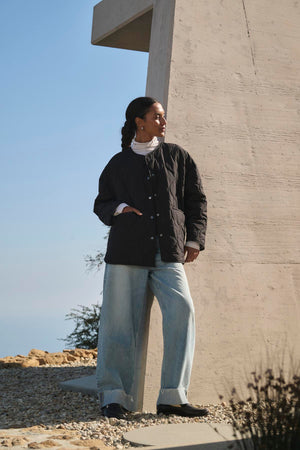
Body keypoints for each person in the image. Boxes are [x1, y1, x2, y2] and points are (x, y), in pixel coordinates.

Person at [93, 96, 207, 419]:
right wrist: (119, 209)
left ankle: (173, 395)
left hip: (168, 251)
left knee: (182, 311)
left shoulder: (177, 157)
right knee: (118, 325)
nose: (163, 121)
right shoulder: (118, 164)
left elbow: (196, 199)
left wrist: (195, 238)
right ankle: (115, 396)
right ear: (139, 122)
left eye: (163, 116)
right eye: (156, 116)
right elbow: (101, 202)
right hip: (126, 252)